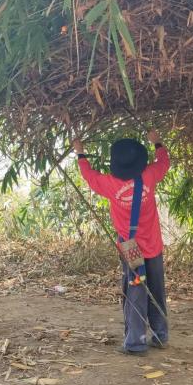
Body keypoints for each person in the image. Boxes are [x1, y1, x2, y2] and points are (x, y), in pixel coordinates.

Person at [73, 130, 170, 355]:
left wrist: (80, 153)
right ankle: (160, 335)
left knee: (136, 289)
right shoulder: (150, 176)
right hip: (153, 243)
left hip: (131, 247)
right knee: (156, 288)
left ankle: (136, 342)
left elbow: (89, 175)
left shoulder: (110, 184)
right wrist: (157, 142)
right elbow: (164, 163)